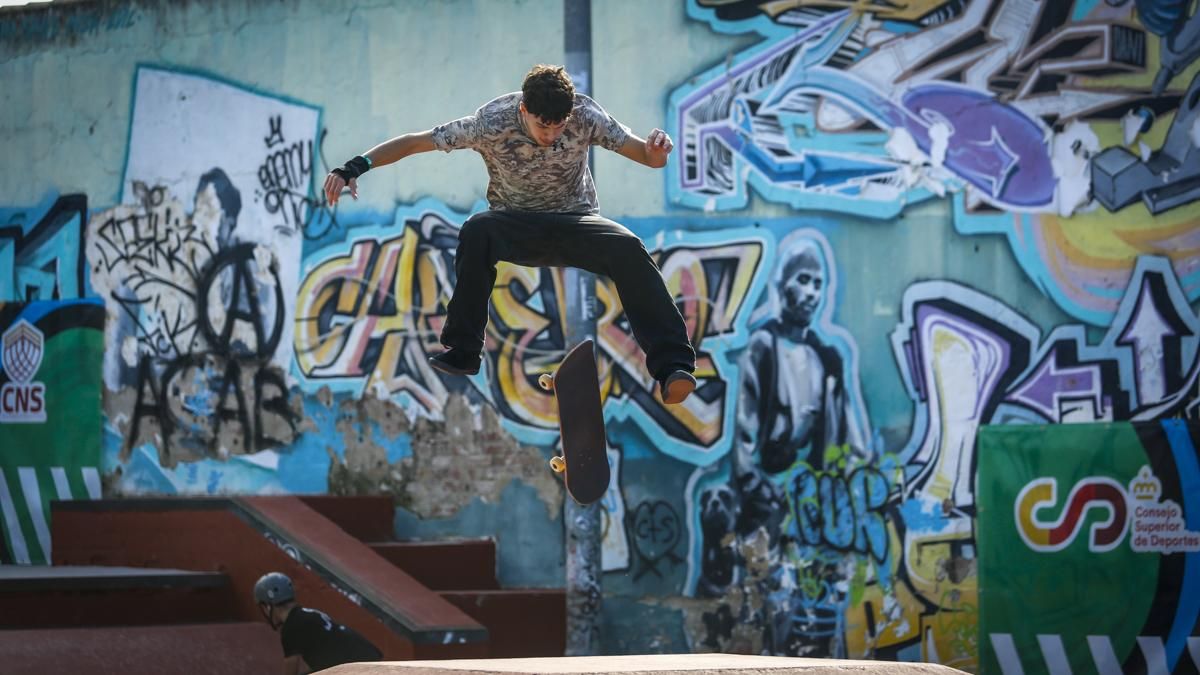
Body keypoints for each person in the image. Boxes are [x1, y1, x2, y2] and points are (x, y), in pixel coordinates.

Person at [323, 64, 697, 404]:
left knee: (629, 247)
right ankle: (464, 349)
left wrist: (656, 151)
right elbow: (417, 142)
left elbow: (646, 157)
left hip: (575, 222)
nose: (551, 135)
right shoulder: (491, 122)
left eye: (559, 126)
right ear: (523, 112)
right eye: (542, 127)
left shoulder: (585, 115)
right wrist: (355, 167)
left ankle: (673, 367)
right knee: (476, 230)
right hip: (515, 225)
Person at [254, 572, 382, 674]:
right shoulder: (308, 614)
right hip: (367, 658)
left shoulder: (290, 627)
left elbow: (290, 669)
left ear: (268, 606)